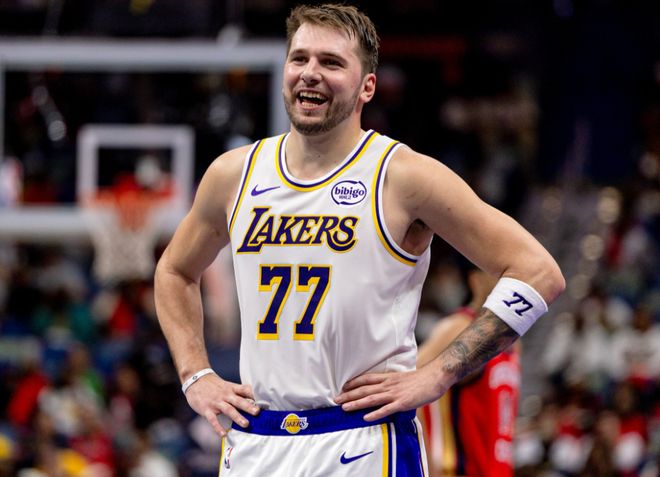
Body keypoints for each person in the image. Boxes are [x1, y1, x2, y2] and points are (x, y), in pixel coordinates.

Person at [154, 4, 565, 476]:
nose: (310, 73)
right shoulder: (233, 174)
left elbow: (538, 271)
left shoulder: (403, 175)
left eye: (331, 62)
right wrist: (196, 374)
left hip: (362, 438)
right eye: (299, 58)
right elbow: (174, 270)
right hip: (257, 439)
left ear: (367, 86)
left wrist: (439, 374)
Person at [417, 267, 521, 477]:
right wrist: (425, 463)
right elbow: (412, 384)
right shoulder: (458, 328)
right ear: (476, 280)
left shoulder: (514, 340)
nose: (510, 281)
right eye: (500, 273)